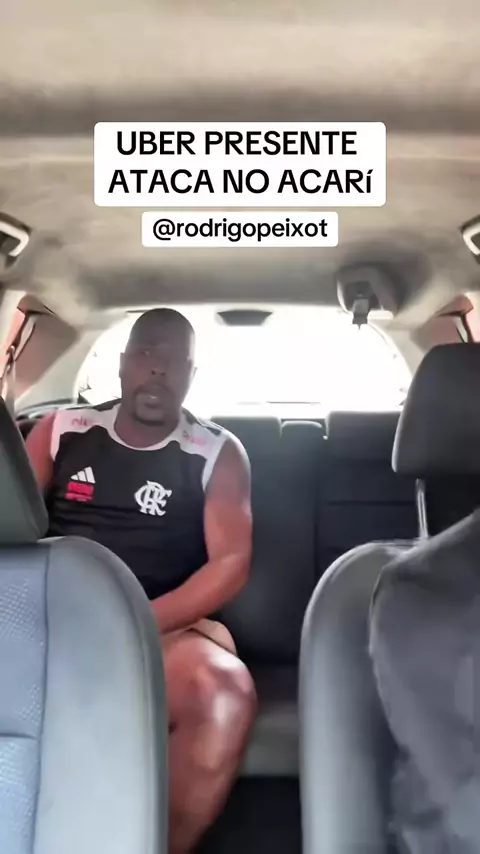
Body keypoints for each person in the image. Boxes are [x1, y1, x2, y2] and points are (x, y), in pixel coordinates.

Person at [26, 307, 257, 854]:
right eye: (147, 352)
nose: (158, 369)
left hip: (161, 630)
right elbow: (10, 520)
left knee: (223, 694)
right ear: (123, 364)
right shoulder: (60, 430)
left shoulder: (216, 451)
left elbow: (230, 563)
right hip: (50, 621)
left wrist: (134, 626)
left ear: (191, 376)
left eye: (175, 359)